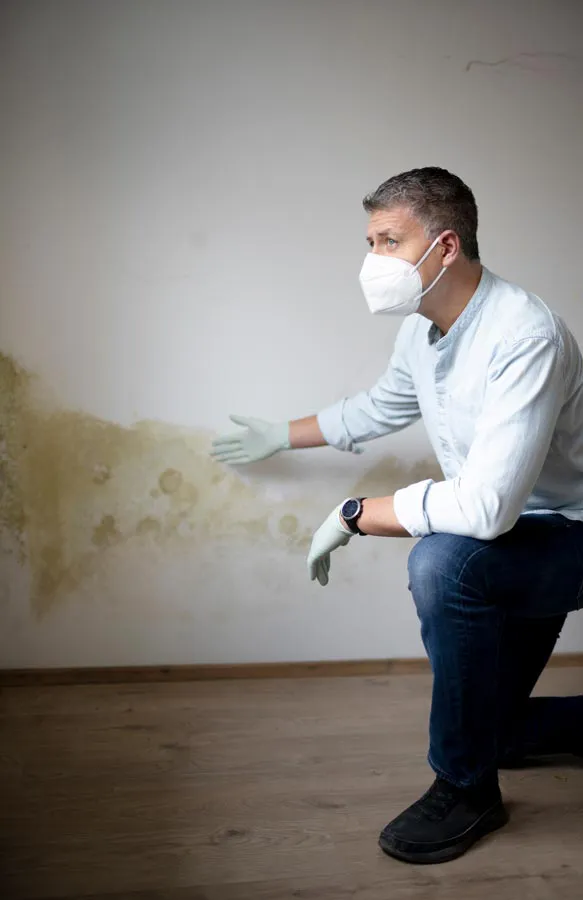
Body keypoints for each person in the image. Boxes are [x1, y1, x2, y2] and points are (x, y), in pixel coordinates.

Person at [210, 167, 583, 865]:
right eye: (369, 241)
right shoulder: (425, 329)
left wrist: (356, 513)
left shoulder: (523, 333)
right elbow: (380, 406)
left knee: (443, 561)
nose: (372, 260)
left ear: (444, 246)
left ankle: (465, 790)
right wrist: (279, 434)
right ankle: (499, 747)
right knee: (495, 729)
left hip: (569, 532)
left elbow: (484, 508)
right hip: (522, 535)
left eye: (387, 241)